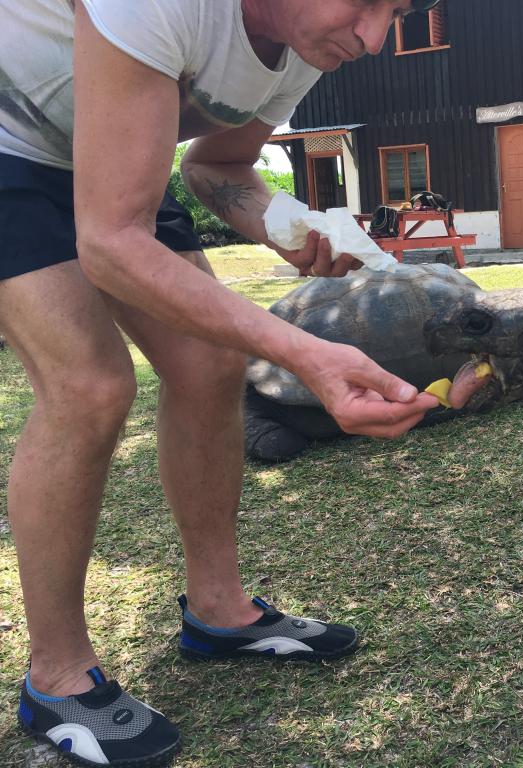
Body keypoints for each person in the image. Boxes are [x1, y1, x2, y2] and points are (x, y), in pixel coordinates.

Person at [1, 1, 442, 764]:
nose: (373, 37)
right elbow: (109, 245)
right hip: (10, 149)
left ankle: (218, 611)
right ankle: (57, 677)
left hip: (110, 159)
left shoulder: (305, 41)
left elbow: (216, 166)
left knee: (209, 364)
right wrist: (306, 351)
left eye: (397, 11)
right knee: (90, 387)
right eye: (366, 1)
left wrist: (289, 224)